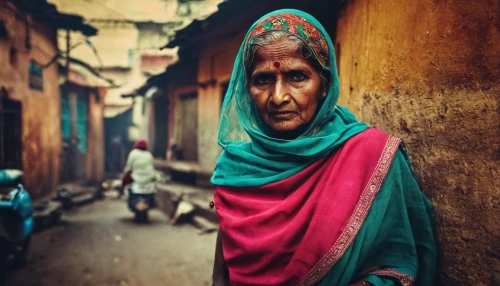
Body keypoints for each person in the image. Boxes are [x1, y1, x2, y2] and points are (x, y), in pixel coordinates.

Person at [211, 9, 437, 286]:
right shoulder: (235, 168)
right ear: (247, 88)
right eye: (263, 79)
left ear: (324, 85)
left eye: (297, 77)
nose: (278, 97)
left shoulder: (369, 154)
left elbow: (401, 260)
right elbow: (221, 275)